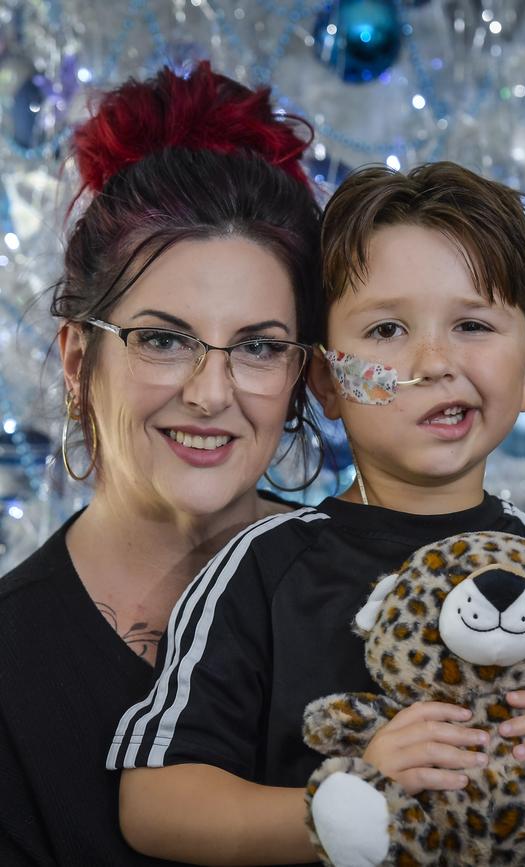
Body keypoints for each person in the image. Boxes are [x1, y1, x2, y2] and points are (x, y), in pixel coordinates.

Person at [110, 162, 525, 866]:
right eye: (389, 328)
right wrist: (340, 806)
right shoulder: (264, 569)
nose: (434, 360)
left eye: (473, 323)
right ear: (328, 379)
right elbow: (155, 803)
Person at [0, 62, 324, 866]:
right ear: (79, 358)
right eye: (164, 339)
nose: (210, 393)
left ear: (299, 374)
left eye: (256, 346)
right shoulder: (10, 666)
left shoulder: (374, 590)